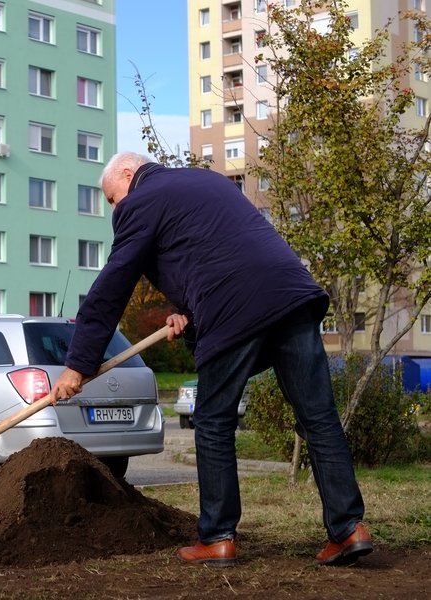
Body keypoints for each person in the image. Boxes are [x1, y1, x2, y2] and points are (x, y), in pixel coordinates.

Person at [51, 152, 371, 567]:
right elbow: (216, 251)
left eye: (112, 199)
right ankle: (349, 529)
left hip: (236, 306)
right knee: (319, 417)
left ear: (128, 174)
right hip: (291, 295)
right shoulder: (208, 181)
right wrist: (188, 311)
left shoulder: (141, 200)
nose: (115, 210)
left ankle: (217, 537)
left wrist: (78, 364)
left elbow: (113, 284)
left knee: (213, 421)